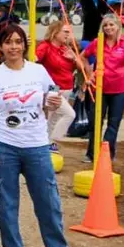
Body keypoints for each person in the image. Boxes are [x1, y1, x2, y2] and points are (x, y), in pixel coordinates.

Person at [0, 24, 69, 247]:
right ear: (0, 47)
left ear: (24, 45)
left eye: (18, 42)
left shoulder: (38, 71)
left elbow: (50, 100)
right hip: (5, 144)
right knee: (7, 202)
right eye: (8, 42)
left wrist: (53, 102)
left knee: (47, 200)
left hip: (37, 145)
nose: (13, 47)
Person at [82, 13, 124, 162]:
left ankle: (107, 154)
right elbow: (83, 57)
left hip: (121, 88)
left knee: (113, 123)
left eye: (111, 25)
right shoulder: (97, 42)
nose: (108, 28)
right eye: (105, 25)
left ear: (118, 26)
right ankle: (91, 153)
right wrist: (89, 74)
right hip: (100, 87)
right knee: (95, 121)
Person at [36, 22, 81, 151]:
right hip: (53, 88)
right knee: (69, 114)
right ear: (55, 32)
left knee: (54, 118)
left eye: (69, 32)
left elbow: (81, 68)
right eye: (65, 32)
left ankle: (46, 142)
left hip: (67, 87)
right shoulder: (45, 46)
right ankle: (53, 141)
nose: (68, 35)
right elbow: (33, 60)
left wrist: (74, 58)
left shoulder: (66, 48)